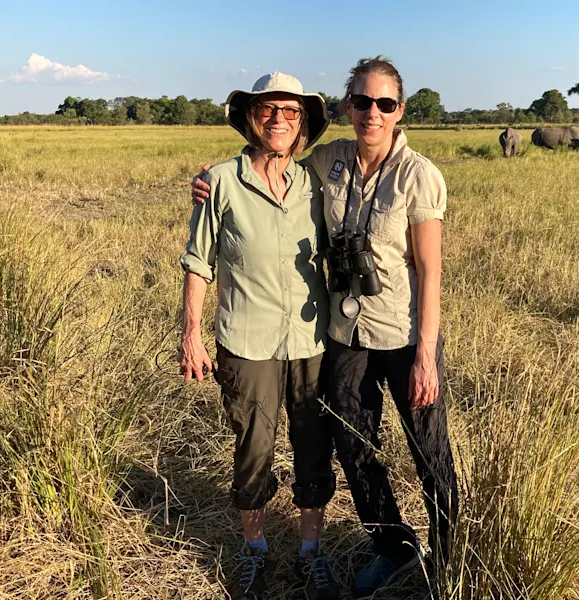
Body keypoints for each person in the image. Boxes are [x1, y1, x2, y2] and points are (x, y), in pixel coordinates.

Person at [193, 57, 458, 599]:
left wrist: (427, 353)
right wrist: (210, 181)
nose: (372, 113)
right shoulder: (327, 162)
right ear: (346, 107)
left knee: (428, 449)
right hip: (344, 334)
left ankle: (455, 555)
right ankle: (393, 547)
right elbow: (265, 169)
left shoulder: (418, 174)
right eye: (361, 101)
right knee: (353, 446)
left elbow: (430, 270)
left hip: (405, 336)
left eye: (385, 103)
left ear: (400, 110)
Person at [179, 72, 339, 600]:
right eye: (269, 110)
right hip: (246, 340)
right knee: (253, 445)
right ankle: (255, 550)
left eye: (290, 113)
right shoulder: (221, 180)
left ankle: (312, 552)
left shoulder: (315, 181)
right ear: (252, 118)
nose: (279, 120)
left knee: (315, 444)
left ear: (303, 123)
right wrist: (192, 335)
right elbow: (198, 262)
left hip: (312, 339)